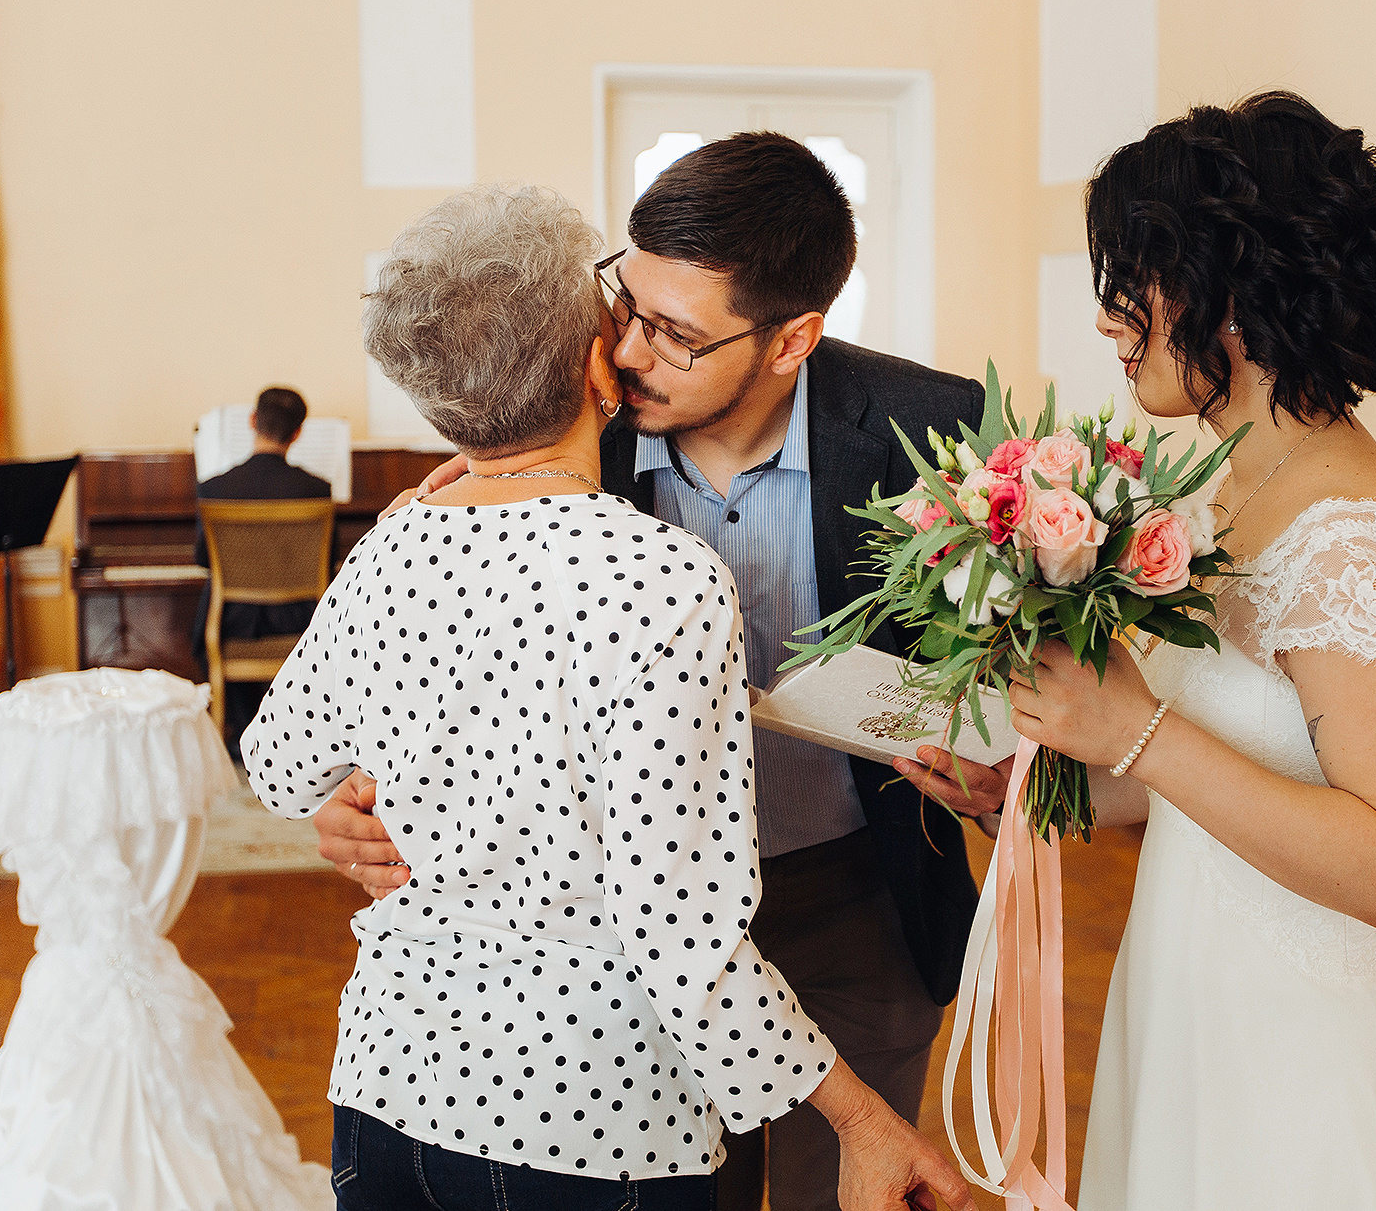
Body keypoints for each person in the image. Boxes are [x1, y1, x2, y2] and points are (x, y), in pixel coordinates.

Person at [242, 183, 969, 1211]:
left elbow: (275, 763)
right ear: (592, 363)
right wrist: (862, 1118)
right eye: (618, 318)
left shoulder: (393, 539)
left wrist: (364, 784)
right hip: (587, 1119)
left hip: (386, 1092)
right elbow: (681, 935)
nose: (630, 346)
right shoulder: (661, 577)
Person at [920, 92, 1376, 1208]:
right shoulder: (1232, 489)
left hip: (1310, 1055)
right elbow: (1206, 779)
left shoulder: (1357, 533)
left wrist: (1134, 728)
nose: (1107, 318)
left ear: (1230, 295)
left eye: (1134, 278)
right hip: (1193, 1006)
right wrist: (1040, 787)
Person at [192, 385, 333, 746]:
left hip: (234, 619)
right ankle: (290, 731)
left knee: (212, 604)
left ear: (252, 421)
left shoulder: (214, 489)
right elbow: (327, 562)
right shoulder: (316, 489)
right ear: (298, 433)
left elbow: (203, 560)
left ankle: (241, 730)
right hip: (297, 619)